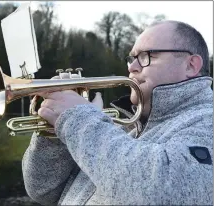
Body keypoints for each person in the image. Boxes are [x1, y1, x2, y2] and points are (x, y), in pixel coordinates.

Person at [22, 20, 213, 205]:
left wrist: (77, 119)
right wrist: (55, 132)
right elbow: (43, 191)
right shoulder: (118, 128)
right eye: (131, 58)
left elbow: (164, 194)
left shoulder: (206, 122)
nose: (132, 67)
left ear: (191, 65)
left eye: (147, 56)